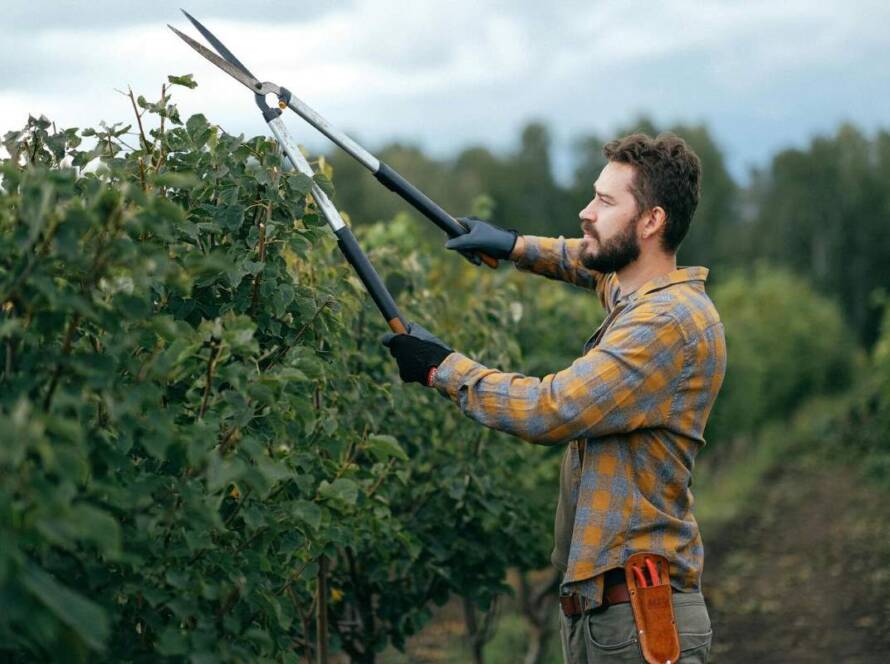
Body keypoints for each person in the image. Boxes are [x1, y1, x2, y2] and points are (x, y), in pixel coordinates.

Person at [383, 132, 726, 663]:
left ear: (652, 221)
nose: (586, 212)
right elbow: (585, 260)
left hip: (635, 625)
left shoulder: (665, 324)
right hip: (608, 617)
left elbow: (553, 408)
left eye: (606, 202)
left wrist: (442, 369)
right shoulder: (639, 290)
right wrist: (515, 246)